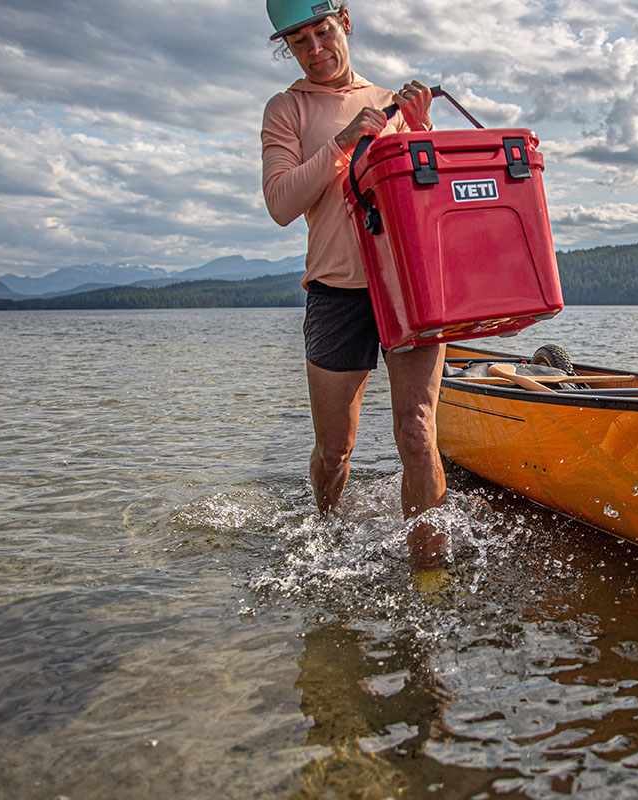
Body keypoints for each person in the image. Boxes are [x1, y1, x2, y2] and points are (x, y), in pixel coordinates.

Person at [261, 0, 446, 566]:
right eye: (299, 41)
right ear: (288, 48)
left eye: (322, 32)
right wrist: (340, 144)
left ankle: (429, 577)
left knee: (416, 435)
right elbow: (281, 204)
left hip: (410, 290)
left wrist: (420, 130)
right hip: (336, 293)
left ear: (344, 22)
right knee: (335, 450)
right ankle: (326, 538)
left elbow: (433, 200)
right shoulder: (286, 109)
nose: (315, 49)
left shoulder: (391, 101)